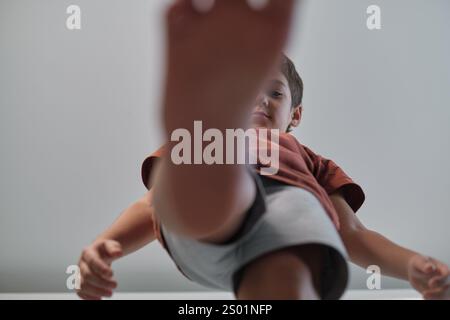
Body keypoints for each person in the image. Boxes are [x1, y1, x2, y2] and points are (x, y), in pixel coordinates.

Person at [76, 0, 449, 300]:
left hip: (288, 225)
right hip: (207, 200)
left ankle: (213, 143)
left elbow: (351, 233)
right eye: (251, 91)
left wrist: (413, 265)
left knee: (286, 273)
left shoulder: (313, 162)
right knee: (211, 177)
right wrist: (103, 245)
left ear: (295, 115)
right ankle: (215, 155)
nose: (261, 101)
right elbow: (150, 204)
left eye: (274, 92)